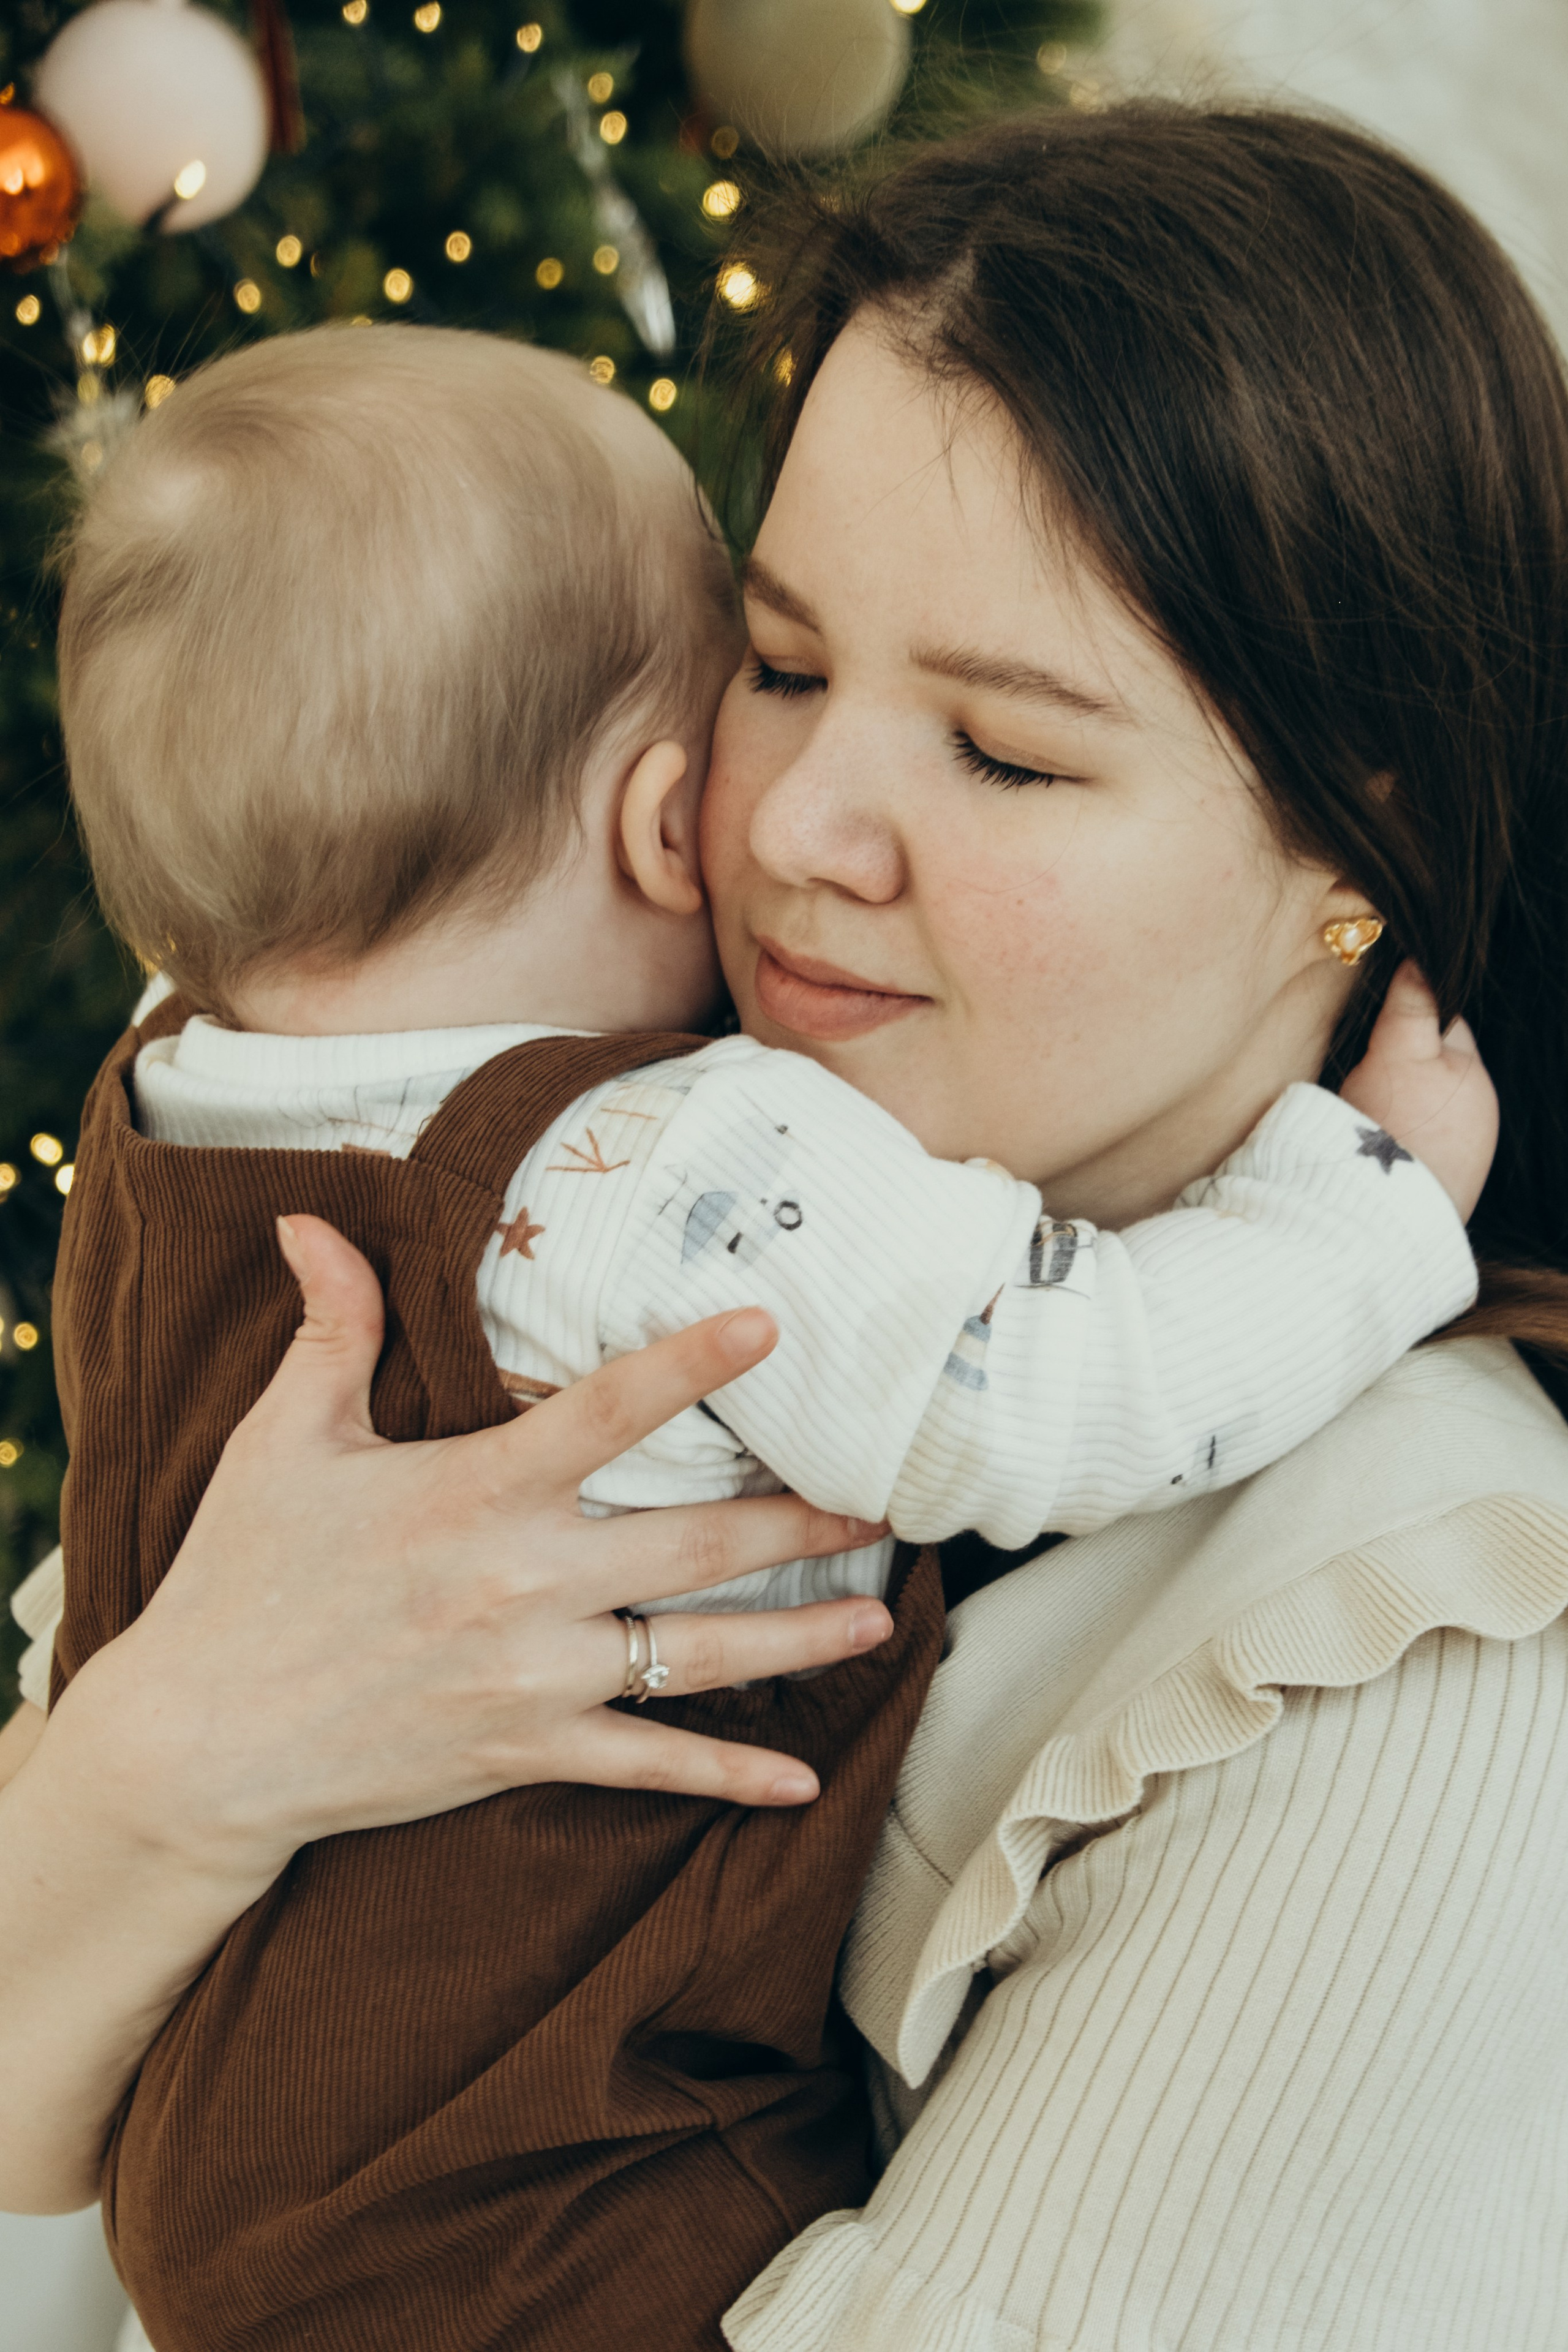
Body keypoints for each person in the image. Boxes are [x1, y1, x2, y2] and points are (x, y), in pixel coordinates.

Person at [4, 94, 1567, 2351]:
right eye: (785, 661)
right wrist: (192, 1747)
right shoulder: (550, 1203)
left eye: (1009, 754)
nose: (797, 826)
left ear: (1363, 822)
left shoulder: (1416, 1652)